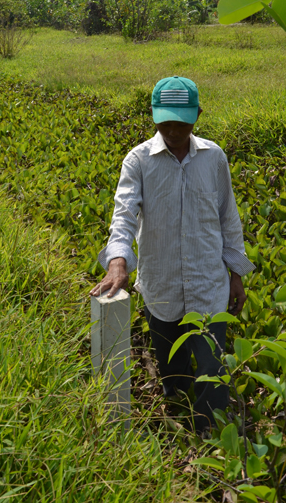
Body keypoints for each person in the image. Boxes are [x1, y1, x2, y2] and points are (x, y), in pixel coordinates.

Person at [90, 76, 255, 433]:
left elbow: (228, 218)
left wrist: (236, 275)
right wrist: (118, 260)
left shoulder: (213, 158)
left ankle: (209, 437)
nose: (174, 129)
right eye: (166, 121)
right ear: (153, 116)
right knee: (173, 373)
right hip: (161, 288)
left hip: (208, 287)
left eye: (182, 121)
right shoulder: (138, 161)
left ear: (197, 115)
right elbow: (124, 214)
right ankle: (177, 419)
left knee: (213, 373)